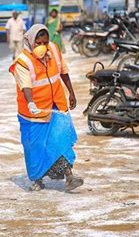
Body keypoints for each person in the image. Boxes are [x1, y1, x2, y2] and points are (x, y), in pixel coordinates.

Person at [9, 24, 83, 192]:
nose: (42, 46)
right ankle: (37, 178)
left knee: (60, 141)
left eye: (45, 42)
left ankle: (69, 176)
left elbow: (63, 72)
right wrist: (31, 103)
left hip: (56, 106)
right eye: (38, 43)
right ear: (30, 42)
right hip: (33, 113)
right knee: (35, 147)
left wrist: (71, 92)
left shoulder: (54, 50)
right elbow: (26, 86)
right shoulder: (23, 62)